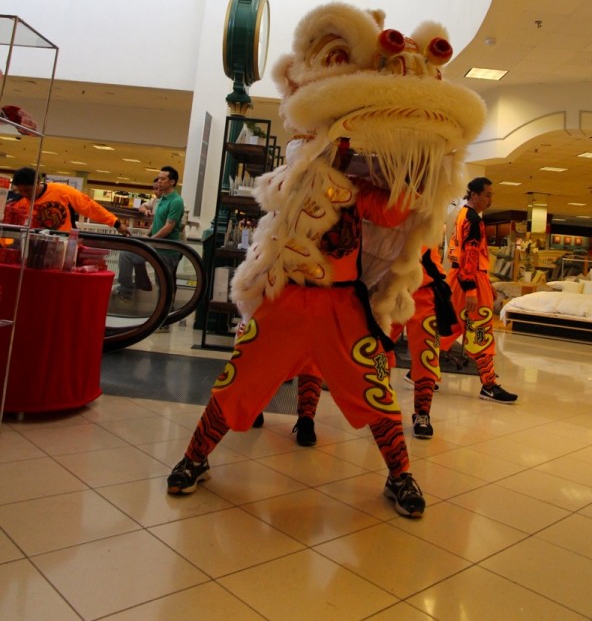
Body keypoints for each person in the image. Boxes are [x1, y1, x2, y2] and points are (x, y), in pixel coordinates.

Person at [167, 165, 426, 518]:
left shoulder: (359, 189)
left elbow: (394, 212)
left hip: (342, 306)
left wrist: (417, 165)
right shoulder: (293, 176)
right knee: (239, 381)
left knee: (373, 388)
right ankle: (194, 458)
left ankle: (400, 475)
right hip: (285, 300)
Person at [442, 177, 518, 403]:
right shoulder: (472, 219)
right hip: (469, 279)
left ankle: (419, 372)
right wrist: (473, 289)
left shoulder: (462, 214)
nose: (490, 199)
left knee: (450, 327)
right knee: (481, 330)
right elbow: (470, 256)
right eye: (487, 195)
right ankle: (489, 385)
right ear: (474, 195)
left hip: (459, 279)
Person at [393, 247, 457, 439]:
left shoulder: (428, 218)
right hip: (389, 289)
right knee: (377, 352)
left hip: (425, 291)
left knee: (427, 355)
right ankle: (380, 409)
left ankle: (422, 413)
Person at [115, 166, 184, 305]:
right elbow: (158, 222)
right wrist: (146, 236)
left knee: (164, 284)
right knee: (126, 255)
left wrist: (151, 240)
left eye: (163, 179)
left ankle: (164, 316)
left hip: (167, 250)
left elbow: (168, 228)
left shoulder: (176, 201)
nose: (159, 181)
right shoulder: (160, 200)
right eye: (158, 178)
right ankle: (126, 289)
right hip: (155, 245)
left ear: (172, 182)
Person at [7, 166, 125, 233]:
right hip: (28, 246)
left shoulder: (63, 192)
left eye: (27, 190)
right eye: (20, 190)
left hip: (63, 244)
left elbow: (90, 207)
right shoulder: (18, 202)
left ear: (38, 181)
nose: (25, 194)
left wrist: (116, 223)